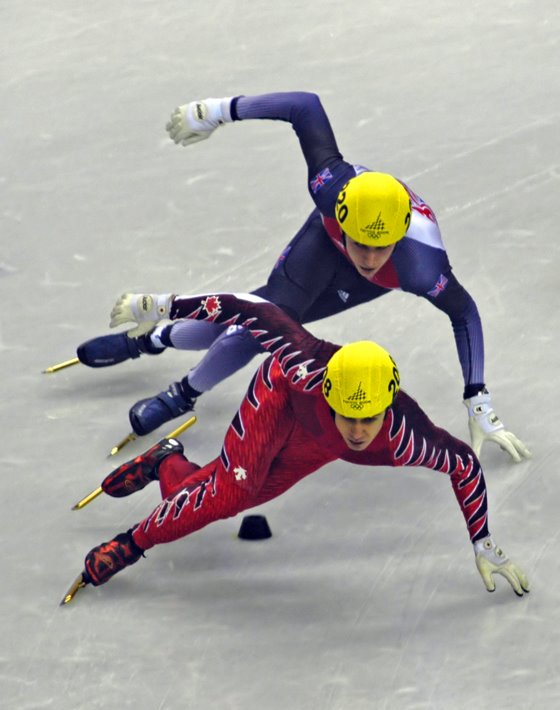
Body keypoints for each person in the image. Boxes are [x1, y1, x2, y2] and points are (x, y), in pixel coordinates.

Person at [77, 91, 531, 463]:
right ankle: (168, 369)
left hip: (358, 277)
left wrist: (478, 397)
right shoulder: (330, 187)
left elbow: (464, 312)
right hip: (322, 243)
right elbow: (304, 106)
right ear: (342, 218)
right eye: (361, 242)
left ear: (398, 240)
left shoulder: (419, 266)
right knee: (264, 320)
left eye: (381, 246)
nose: (370, 256)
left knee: (259, 320)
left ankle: (161, 354)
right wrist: (215, 112)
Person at [76, 290, 529, 599]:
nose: (356, 430)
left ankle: (165, 462)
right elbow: (246, 308)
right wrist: (156, 305)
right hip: (279, 399)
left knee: (201, 497)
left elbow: (464, 464)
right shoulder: (304, 362)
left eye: (367, 418)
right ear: (329, 391)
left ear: (387, 408)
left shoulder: (407, 436)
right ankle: (131, 543)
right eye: (347, 415)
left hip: (314, 443)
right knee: (231, 492)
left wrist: (483, 541)